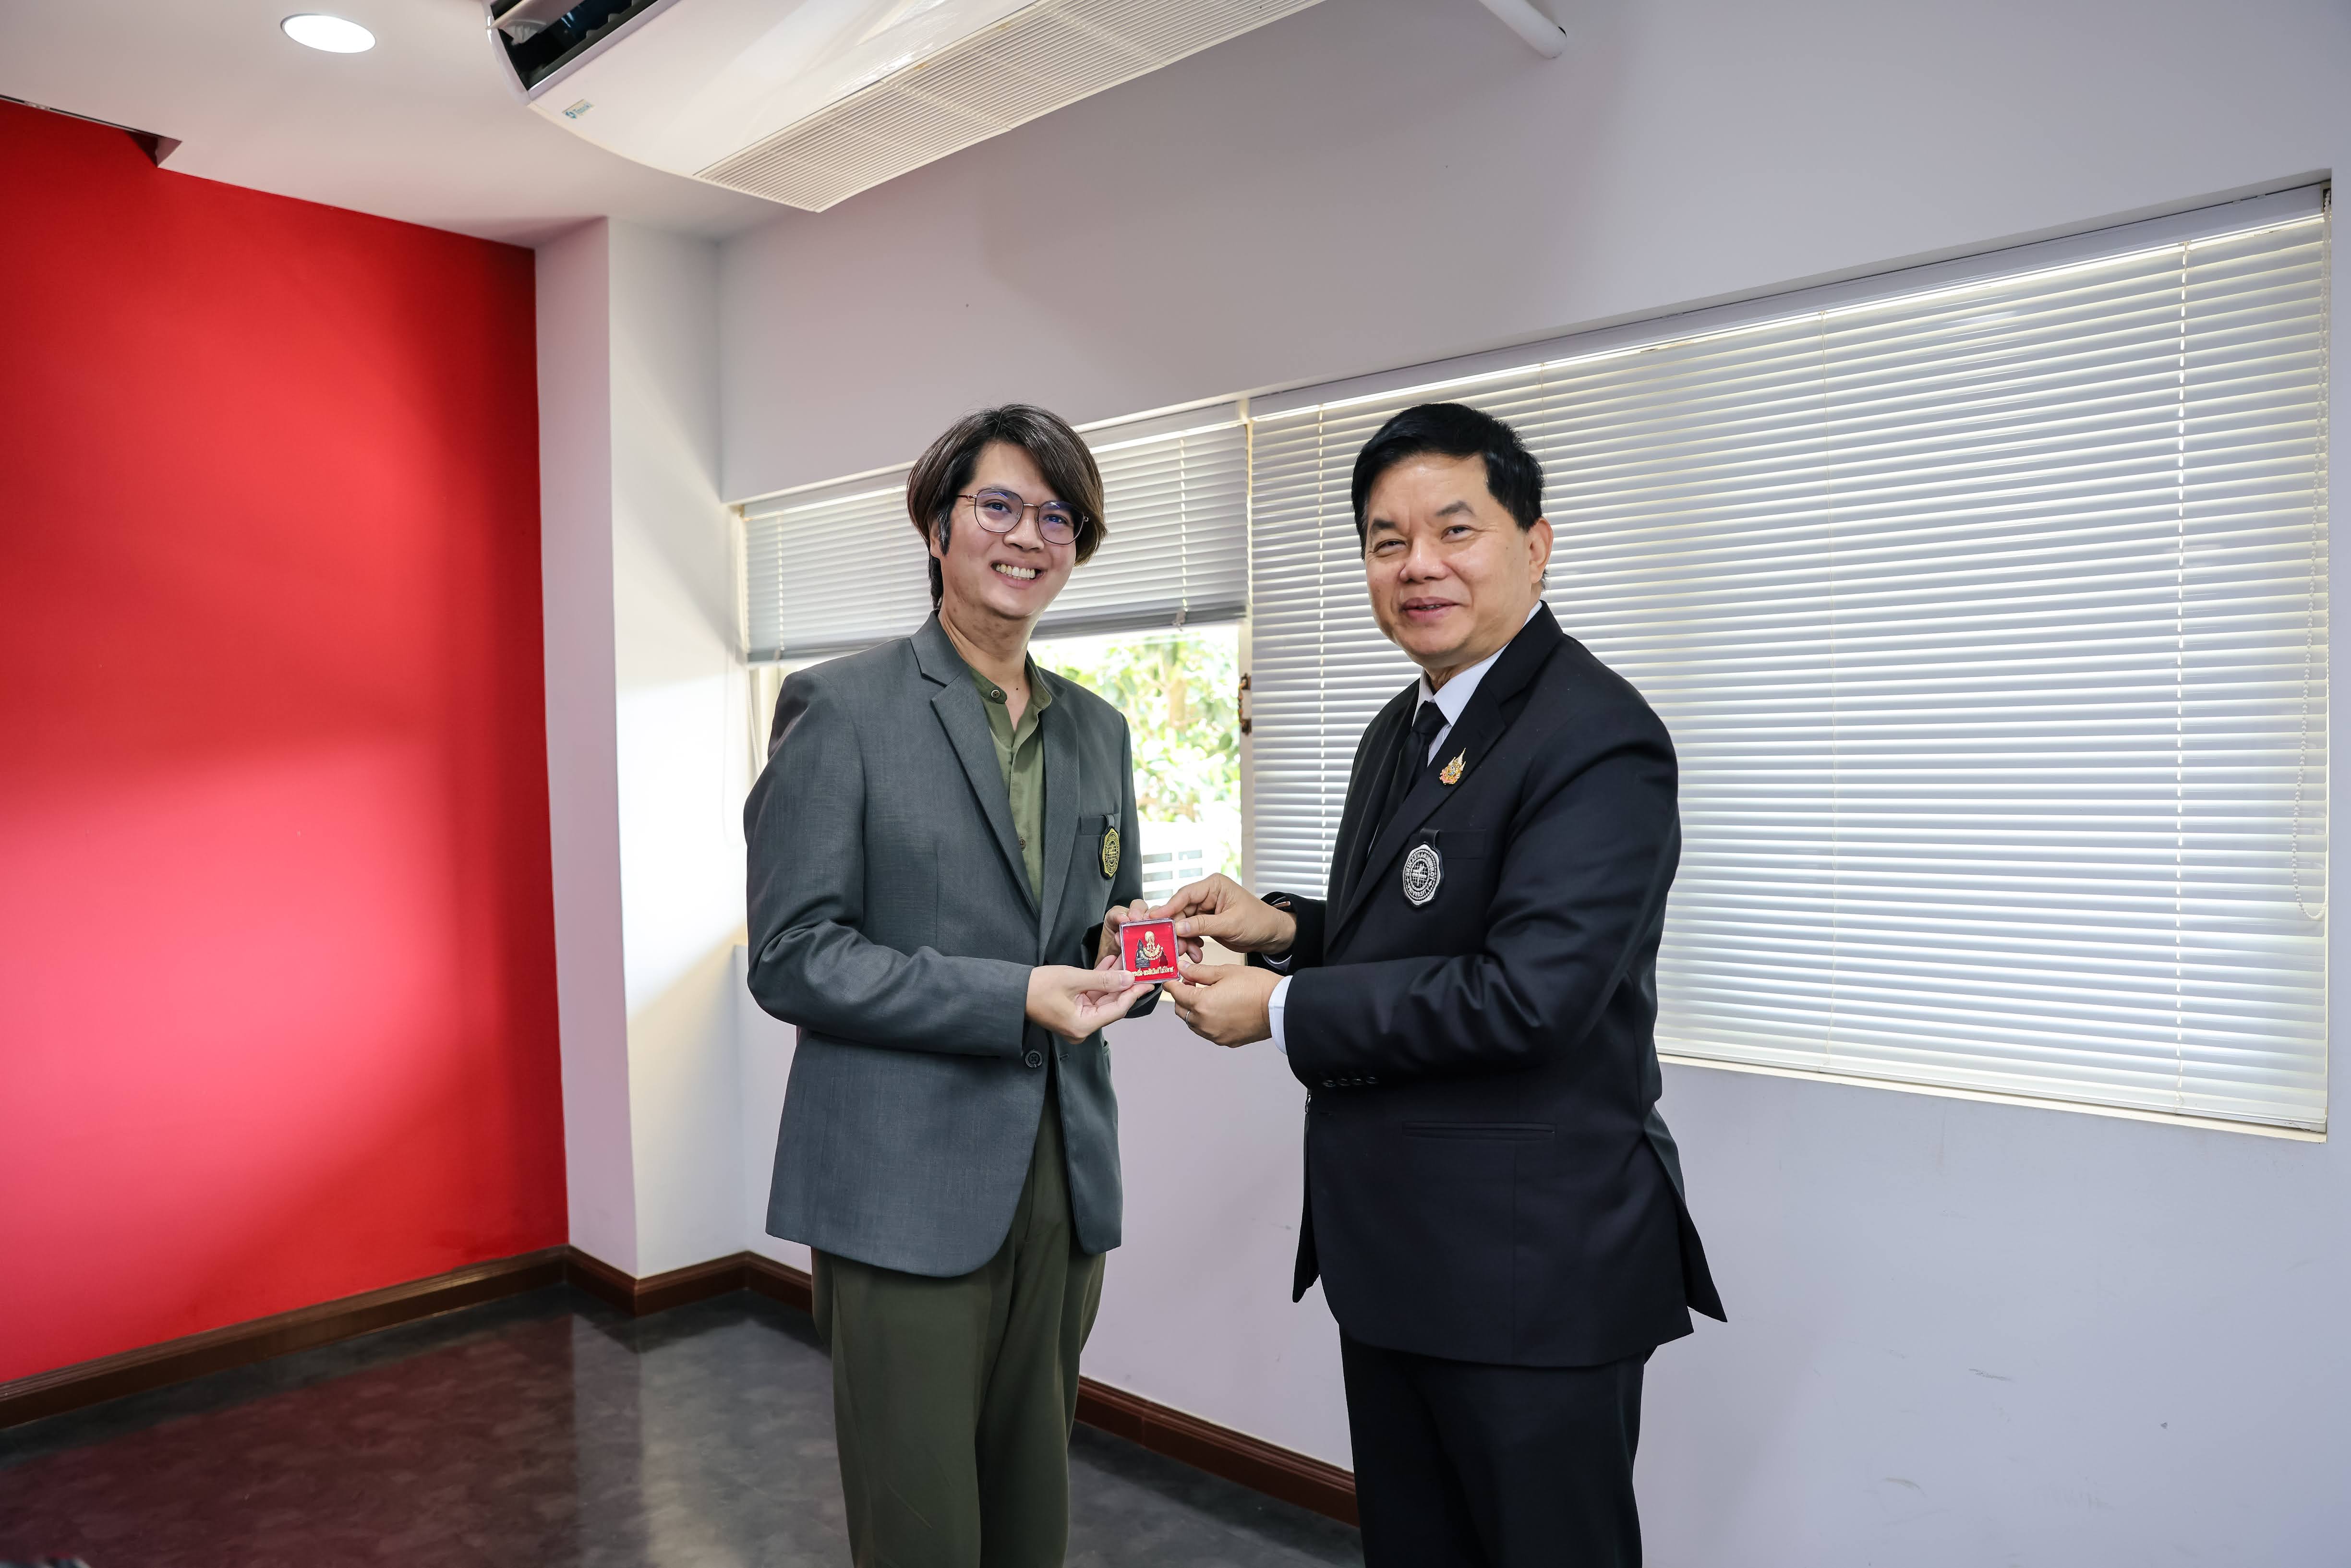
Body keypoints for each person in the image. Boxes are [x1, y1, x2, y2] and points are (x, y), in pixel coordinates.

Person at [1154, 402, 1724, 1568]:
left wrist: (1276, 1008)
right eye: (1386, 540)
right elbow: (1425, 934)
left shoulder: (1596, 736)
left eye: (1454, 530)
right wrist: (1285, 928)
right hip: (1402, 1262)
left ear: (1535, 544)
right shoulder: (1404, 723)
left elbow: (1529, 996)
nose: (1418, 565)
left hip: (1527, 1277)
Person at [743, 404, 1158, 1568]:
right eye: (999, 506)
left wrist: (1144, 954)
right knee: (921, 1526)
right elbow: (793, 953)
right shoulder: (842, 707)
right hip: (899, 1184)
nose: (1028, 537)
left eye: (1058, 519)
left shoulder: (1099, 730)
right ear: (937, 525)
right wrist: (1012, 993)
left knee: (1031, 1514)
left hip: (1062, 1179)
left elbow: (1099, 918)